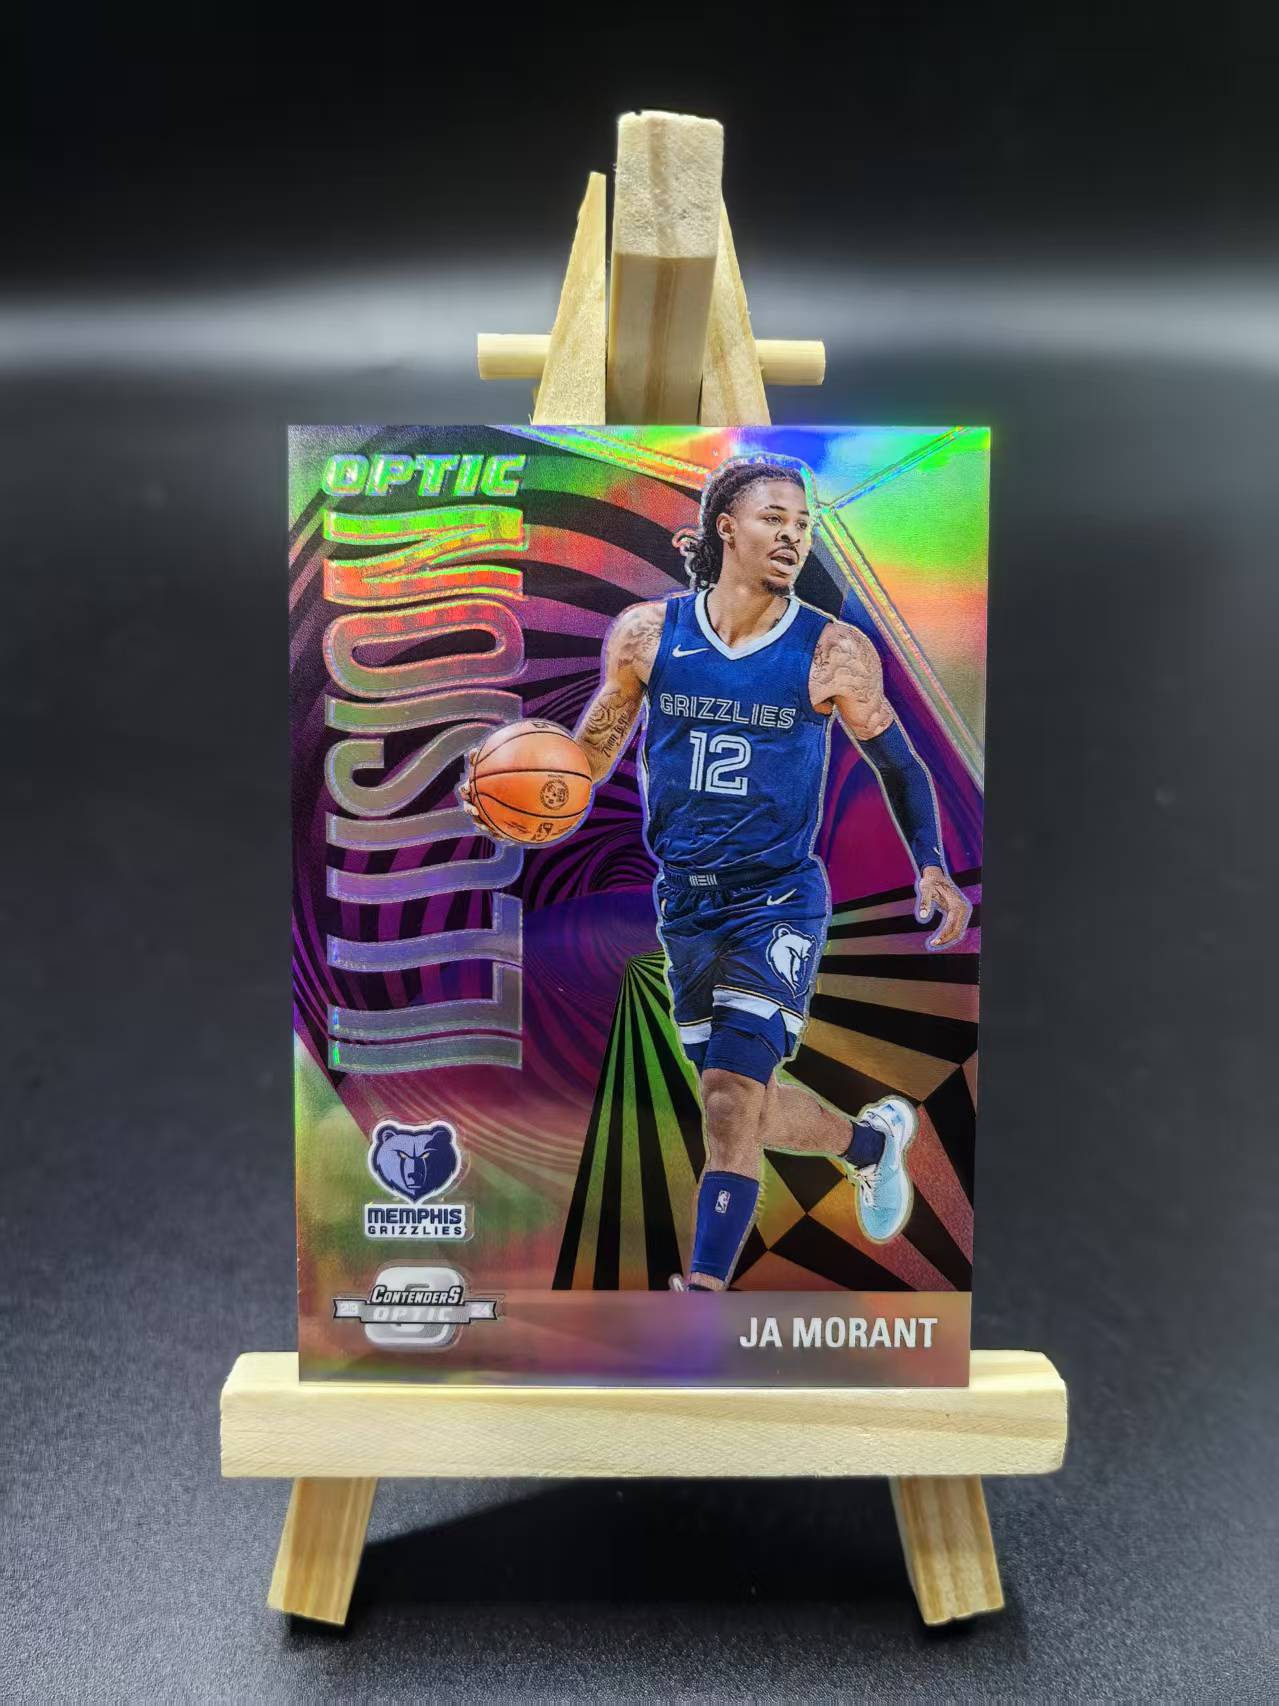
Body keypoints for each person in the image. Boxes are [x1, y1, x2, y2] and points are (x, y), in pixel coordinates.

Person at [460, 456, 971, 1291]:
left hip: (777, 899)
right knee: (738, 1104)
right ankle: (869, 1144)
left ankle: (701, 1291)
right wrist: (516, 799)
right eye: (774, 518)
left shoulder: (831, 651)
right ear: (725, 528)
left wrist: (932, 867)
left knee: (732, 1097)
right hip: (686, 906)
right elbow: (586, 761)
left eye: (802, 524)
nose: (793, 535)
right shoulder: (646, 635)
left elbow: (899, 764)